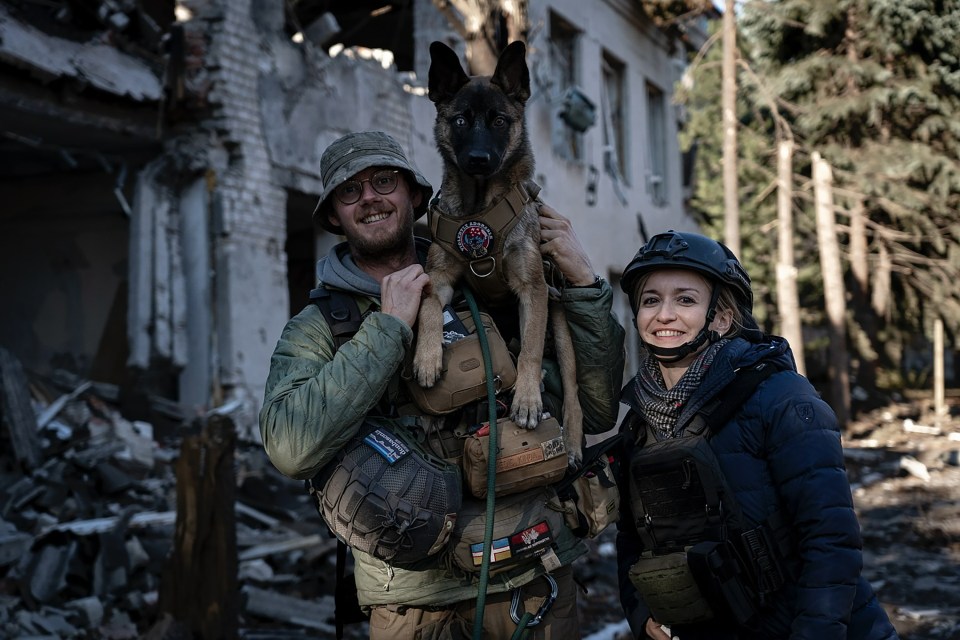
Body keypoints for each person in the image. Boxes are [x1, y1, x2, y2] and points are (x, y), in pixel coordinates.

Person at [259, 130, 626, 640]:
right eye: (349, 191)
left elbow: (598, 408)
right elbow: (289, 447)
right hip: (411, 605)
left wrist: (585, 286)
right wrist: (387, 330)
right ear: (333, 216)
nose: (369, 198)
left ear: (414, 195)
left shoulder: (490, 280)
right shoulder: (322, 324)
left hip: (528, 584)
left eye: (383, 181)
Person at [614, 230, 898, 640]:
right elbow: (632, 539)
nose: (664, 315)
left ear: (723, 317)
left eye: (686, 299)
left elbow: (830, 539)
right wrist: (641, 613)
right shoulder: (639, 424)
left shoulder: (780, 398)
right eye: (651, 300)